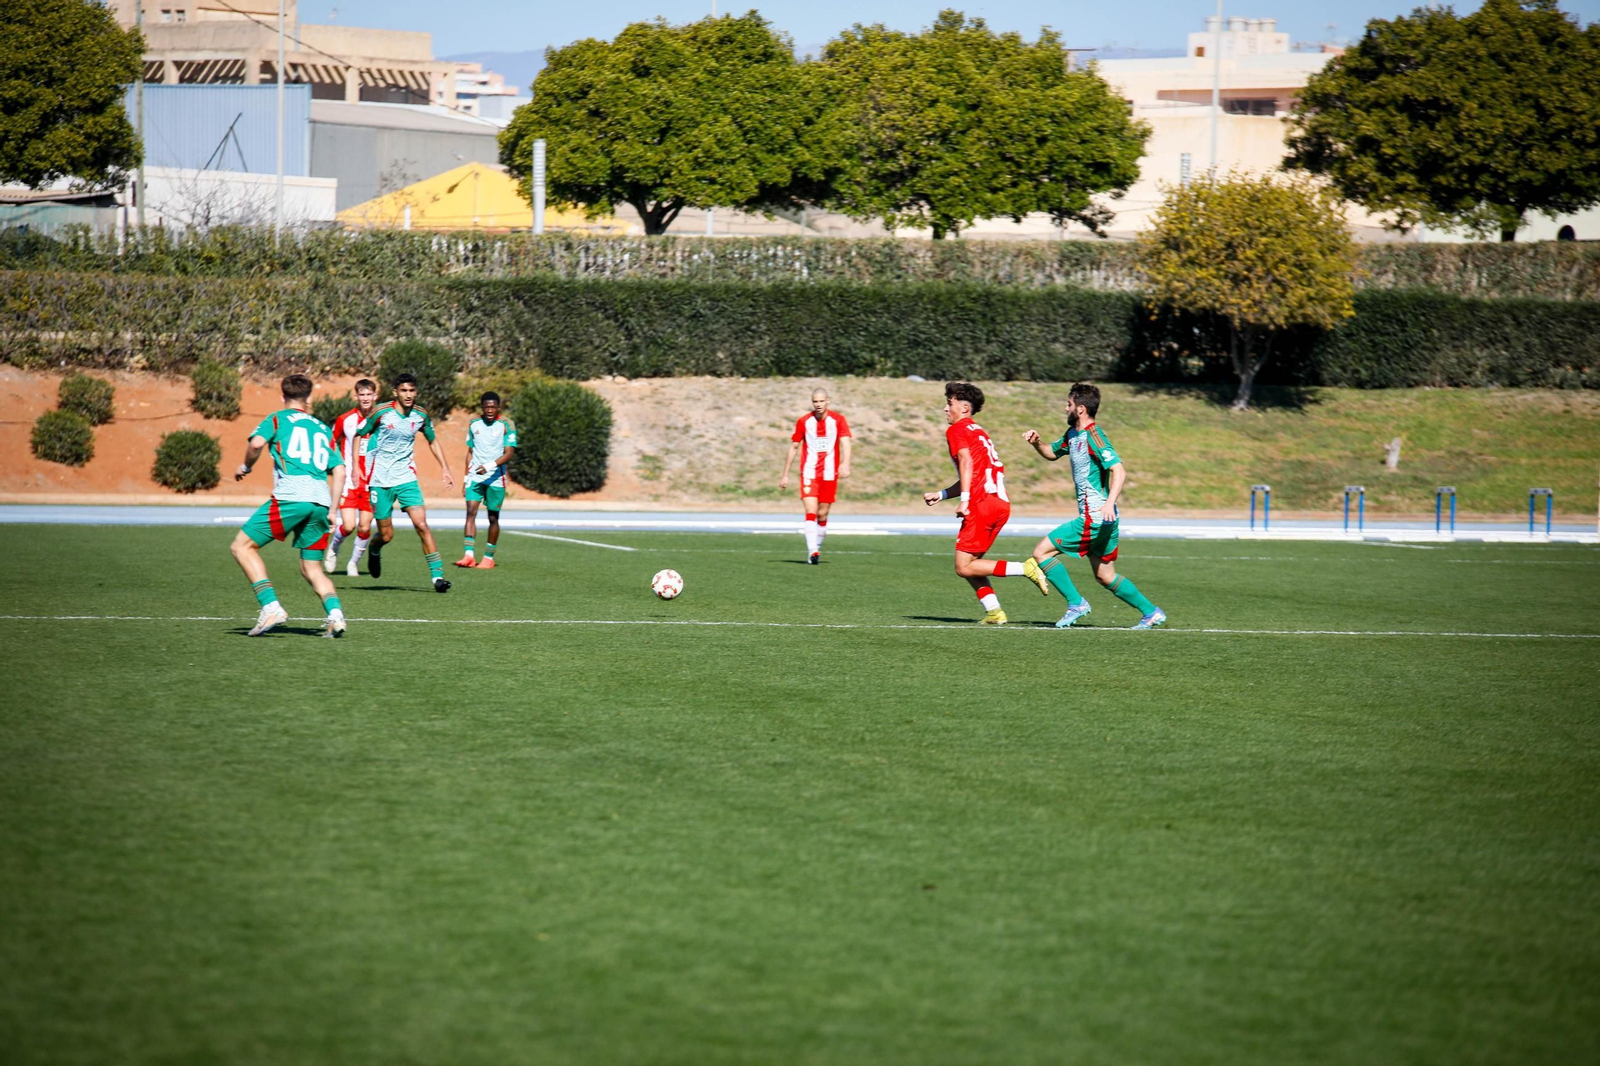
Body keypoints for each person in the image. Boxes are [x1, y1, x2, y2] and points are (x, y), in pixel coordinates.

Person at [1023, 382, 1167, 629]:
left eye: (1068, 404)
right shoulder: (1073, 435)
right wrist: (1037, 443)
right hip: (1104, 519)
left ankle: (1075, 603)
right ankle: (1151, 612)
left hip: (1096, 516)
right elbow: (1051, 452)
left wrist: (1110, 502)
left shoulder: (1094, 436)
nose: (1064, 407)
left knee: (1041, 553)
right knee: (1105, 575)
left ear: (1080, 409)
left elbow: (1118, 470)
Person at [228, 374, 348, 638]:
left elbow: (256, 443)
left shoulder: (277, 419)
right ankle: (336, 615)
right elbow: (339, 469)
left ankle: (271, 606)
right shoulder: (322, 427)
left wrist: (246, 465)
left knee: (242, 546)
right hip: (320, 500)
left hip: (292, 494)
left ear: (283, 397)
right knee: (311, 567)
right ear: (310, 399)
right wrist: (333, 510)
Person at [922, 382, 1050, 624]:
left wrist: (965, 502)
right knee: (973, 564)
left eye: (949, 404)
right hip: (998, 503)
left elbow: (966, 463)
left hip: (981, 504)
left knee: (963, 567)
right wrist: (942, 494)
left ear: (964, 407)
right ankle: (994, 612)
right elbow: (975, 473)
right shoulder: (979, 432)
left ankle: (1026, 568)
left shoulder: (958, 429)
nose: (945, 409)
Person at [355, 373, 455, 592]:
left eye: (412, 391)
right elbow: (359, 435)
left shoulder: (420, 416)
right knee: (386, 535)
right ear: (395, 392)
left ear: (416, 392)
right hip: (380, 479)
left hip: (406, 477)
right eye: (404, 391)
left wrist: (445, 468)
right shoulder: (381, 412)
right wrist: (356, 468)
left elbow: (432, 440)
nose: (408, 395)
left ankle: (437, 578)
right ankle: (374, 547)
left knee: (421, 524)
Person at [779, 388, 852, 564]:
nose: (818, 405)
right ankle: (813, 551)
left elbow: (846, 443)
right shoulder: (804, 421)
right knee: (811, 511)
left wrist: (845, 463)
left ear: (828, 401)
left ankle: (815, 550)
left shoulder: (838, 420)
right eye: (815, 401)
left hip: (829, 473)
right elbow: (794, 447)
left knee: (822, 514)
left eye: (821, 401)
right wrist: (785, 474)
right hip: (809, 473)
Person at [455, 391, 518, 569]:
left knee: (492, 517)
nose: (490, 410)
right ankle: (468, 555)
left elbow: (509, 453)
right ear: (482, 407)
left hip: (496, 478)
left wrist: (490, 466)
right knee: (470, 512)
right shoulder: (474, 424)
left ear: (498, 407)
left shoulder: (507, 424)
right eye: (486, 407)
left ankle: (488, 557)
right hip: (475, 477)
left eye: (493, 407)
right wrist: (466, 477)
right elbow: (469, 452)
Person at [324, 377, 379, 577]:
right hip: (350, 481)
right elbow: (331, 442)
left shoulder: (382, 419)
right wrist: (336, 465)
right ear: (356, 396)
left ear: (375, 396)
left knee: (365, 526)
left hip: (373, 482)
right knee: (348, 525)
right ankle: (333, 549)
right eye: (361, 395)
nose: (365, 398)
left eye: (369, 394)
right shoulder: (345, 420)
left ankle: (353, 563)